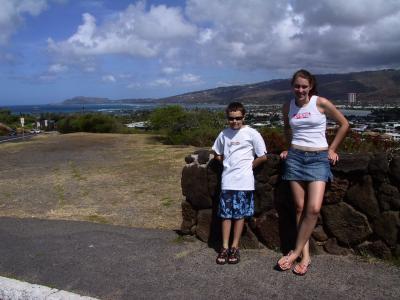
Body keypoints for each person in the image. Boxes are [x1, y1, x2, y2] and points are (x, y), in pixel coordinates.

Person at [277, 69, 349, 275]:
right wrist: (287, 147)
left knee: (313, 209)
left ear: (310, 87)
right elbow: (288, 130)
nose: (300, 90)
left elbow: (344, 124)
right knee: (299, 208)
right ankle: (305, 256)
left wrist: (332, 149)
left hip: (318, 159)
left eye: (304, 86)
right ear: (293, 86)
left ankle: (294, 251)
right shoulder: (287, 106)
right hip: (295, 158)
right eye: (297, 86)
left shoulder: (320, 103)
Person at [212, 102, 267, 265]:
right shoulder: (223, 134)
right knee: (226, 216)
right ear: (227, 118)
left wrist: (249, 166)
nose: (234, 121)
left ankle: (235, 247)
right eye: (231, 118)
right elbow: (216, 153)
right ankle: (224, 247)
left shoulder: (252, 133)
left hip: (244, 182)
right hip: (227, 181)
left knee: (239, 215)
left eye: (238, 118)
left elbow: (263, 156)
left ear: (244, 117)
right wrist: (226, 163)